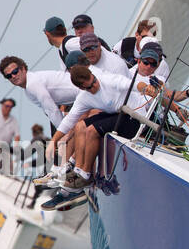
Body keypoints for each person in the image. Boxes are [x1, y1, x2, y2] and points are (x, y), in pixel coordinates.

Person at [43, 64, 139, 209]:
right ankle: (78, 172)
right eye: (89, 87)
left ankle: (85, 176)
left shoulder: (106, 79)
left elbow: (130, 83)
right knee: (79, 126)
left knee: (92, 130)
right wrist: (53, 141)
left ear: (92, 75)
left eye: (94, 81)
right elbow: (69, 121)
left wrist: (146, 88)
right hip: (116, 114)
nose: (94, 86)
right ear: (82, 88)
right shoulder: (84, 96)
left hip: (134, 118)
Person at [0, 55, 79, 133]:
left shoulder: (32, 83)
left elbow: (51, 110)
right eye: (9, 76)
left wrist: (64, 133)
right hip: (80, 96)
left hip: (84, 90)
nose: (13, 76)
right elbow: (49, 111)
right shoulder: (28, 91)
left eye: (15, 71)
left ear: (23, 68)